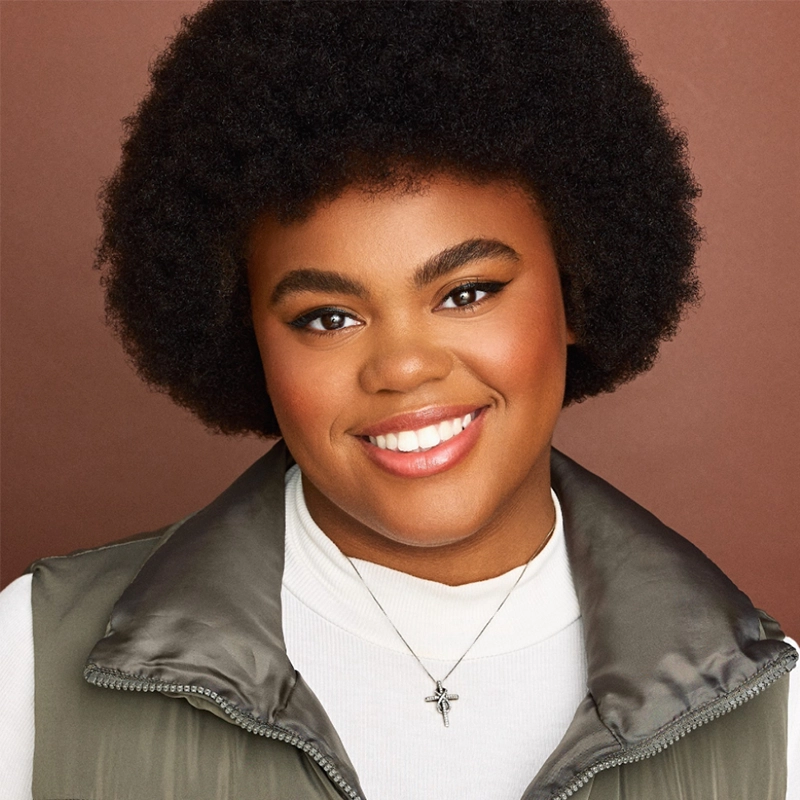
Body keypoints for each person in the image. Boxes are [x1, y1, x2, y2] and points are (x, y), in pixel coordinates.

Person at [0, 2, 797, 799]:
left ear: (578, 288)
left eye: (467, 292)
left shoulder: (774, 717)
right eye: (328, 317)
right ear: (249, 341)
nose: (404, 368)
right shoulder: (33, 660)